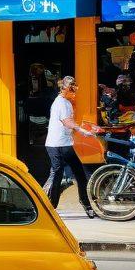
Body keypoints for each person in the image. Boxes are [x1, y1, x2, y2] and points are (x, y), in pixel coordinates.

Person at [45, 76, 96, 217]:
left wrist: (83, 128)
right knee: (57, 173)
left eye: (75, 89)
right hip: (56, 144)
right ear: (65, 89)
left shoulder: (67, 102)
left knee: (79, 174)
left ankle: (85, 203)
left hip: (65, 143)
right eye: (72, 89)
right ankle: (51, 207)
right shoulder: (60, 102)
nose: (75, 93)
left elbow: (70, 122)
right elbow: (67, 122)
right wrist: (82, 131)